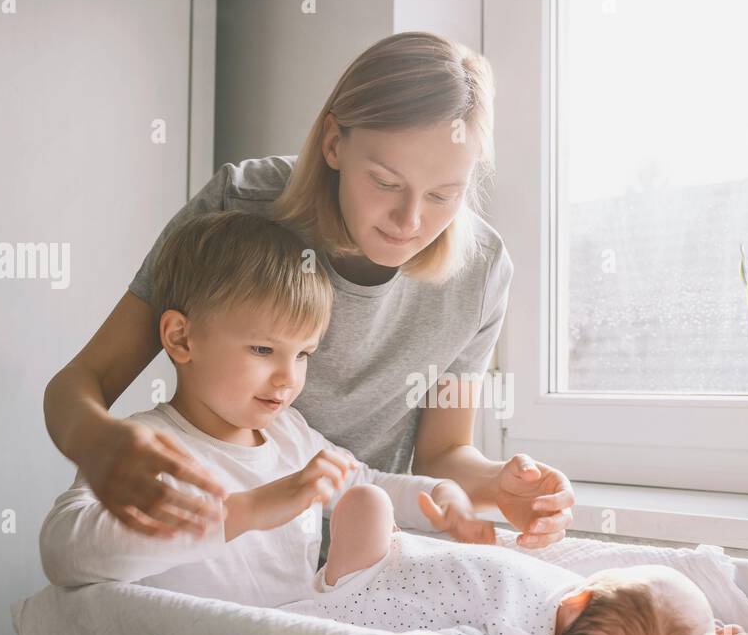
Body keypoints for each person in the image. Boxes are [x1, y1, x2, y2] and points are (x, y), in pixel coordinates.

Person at [42, 32, 576, 572]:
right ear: (333, 143)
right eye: (386, 182)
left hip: (349, 560)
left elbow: (443, 454)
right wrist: (98, 444)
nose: (410, 221)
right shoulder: (241, 208)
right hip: (217, 555)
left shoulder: (479, 270)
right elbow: (85, 380)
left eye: (444, 195)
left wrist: (498, 488)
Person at [39, 212, 495, 599]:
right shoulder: (148, 447)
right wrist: (247, 511)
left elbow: (370, 481)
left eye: (302, 355)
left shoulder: (291, 435)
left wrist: (441, 497)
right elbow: (65, 553)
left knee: (369, 503)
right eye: (262, 350)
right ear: (181, 338)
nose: (288, 378)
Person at [285, 484, 744, 635]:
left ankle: (332, 588)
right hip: (386, 586)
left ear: (583, 596)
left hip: (370, 576)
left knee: (366, 500)